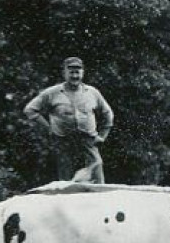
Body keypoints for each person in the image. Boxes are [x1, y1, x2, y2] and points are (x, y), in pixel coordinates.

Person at [24, 56, 115, 184]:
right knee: (66, 182)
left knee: (97, 174)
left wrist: (102, 136)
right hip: (63, 141)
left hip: (88, 141)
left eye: (77, 72)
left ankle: (99, 200)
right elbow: (30, 110)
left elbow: (108, 114)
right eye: (71, 72)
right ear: (64, 73)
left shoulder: (92, 92)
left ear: (83, 73)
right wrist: (48, 128)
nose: (74, 75)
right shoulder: (52, 93)